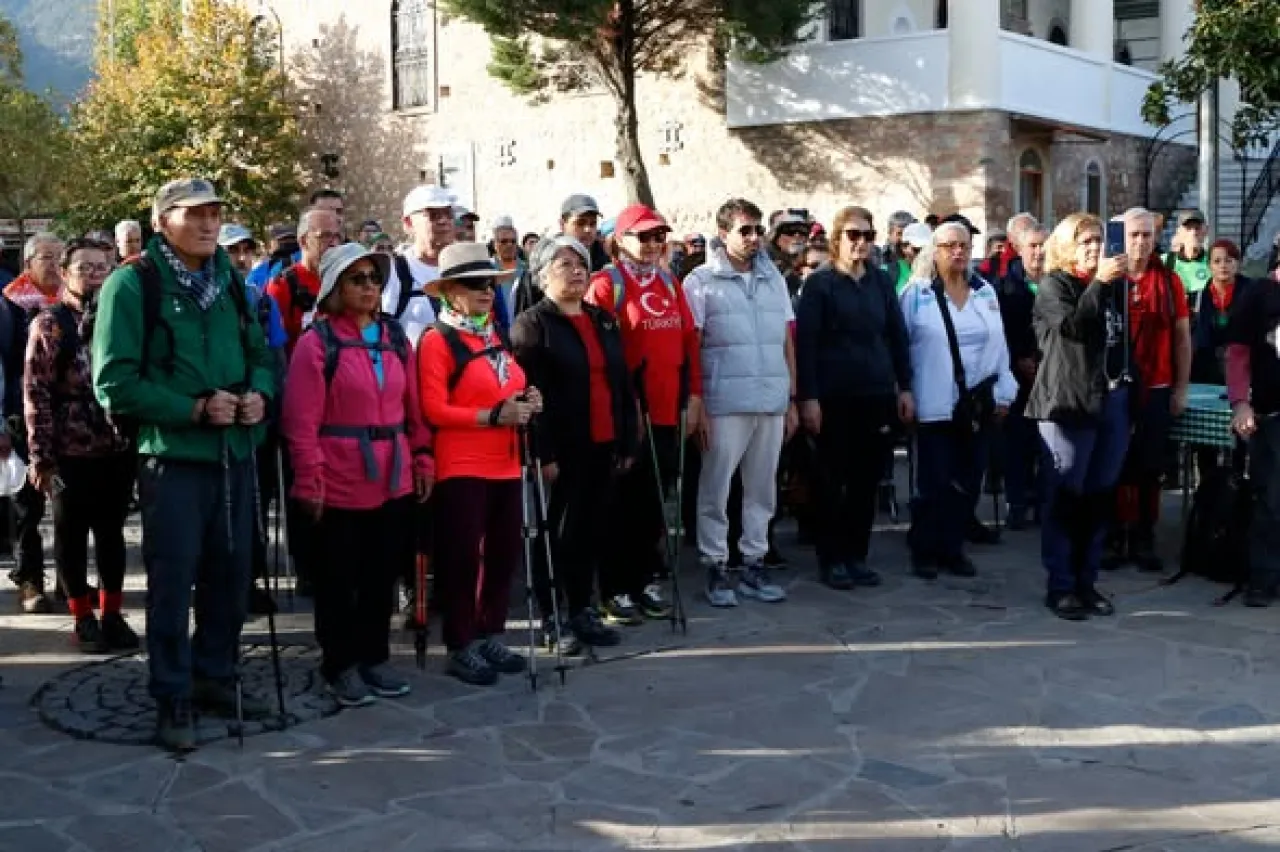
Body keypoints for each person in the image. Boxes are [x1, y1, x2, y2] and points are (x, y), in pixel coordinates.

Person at [92, 177, 276, 752]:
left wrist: (259, 396)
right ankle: (171, 692)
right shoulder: (132, 284)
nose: (208, 224)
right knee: (173, 584)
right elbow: (114, 384)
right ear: (161, 222)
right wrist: (193, 409)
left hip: (236, 455)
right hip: (173, 460)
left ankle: (215, 675)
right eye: (194, 214)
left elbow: (261, 356)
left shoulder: (232, 282)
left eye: (215, 213)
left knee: (231, 576)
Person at [282, 243, 432, 705]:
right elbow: (300, 423)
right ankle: (340, 664)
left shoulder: (393, 337)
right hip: (340, 477)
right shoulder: (316, 344)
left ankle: (374, 658)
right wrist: (310, 480)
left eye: (373, 278)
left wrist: (422, 455)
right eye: (357, 279)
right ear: (334, 288)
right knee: (337, 579)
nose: (369, 286)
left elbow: (414, 408)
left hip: (393, 473)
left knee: (381, 574)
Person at [419, 242, 540, 686]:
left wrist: (527, 399)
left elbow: (508, 382)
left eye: (489, 283)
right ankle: (460, 641)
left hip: (505, 461)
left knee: (504, 555)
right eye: (474, 284)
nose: (486, 291)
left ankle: (490, 633)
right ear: (450, 292)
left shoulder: (492, 334)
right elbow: (433, 408)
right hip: (462, 463)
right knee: (462, 557)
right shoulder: (437, 340)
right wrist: (491, 416)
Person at [510, 235, 637, 651]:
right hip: (562, 448)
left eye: (581, 262)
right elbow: (529, 393)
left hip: (603, 442)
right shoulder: (533, 325)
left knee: (590, 529)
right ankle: (553, 615)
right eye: (564, 264)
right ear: (543, 274)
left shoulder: (601, 319)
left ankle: (583, 607)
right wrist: (543, 452)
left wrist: (626, 438)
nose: (577, 270)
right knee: (555, 534)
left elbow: (619, 382)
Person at [585, 203, 702, 624]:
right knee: (621, 503)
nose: (654, 244)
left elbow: (688, 342)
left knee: (655, 500)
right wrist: (624, 404)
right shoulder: (605, 285)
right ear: (620, 240)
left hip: (669, 411)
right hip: (629, 414)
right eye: (644, 236)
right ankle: (614, 588)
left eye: (659, 236)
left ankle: (644, 578)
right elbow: (599, 353)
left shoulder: (670, 282)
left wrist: (694, 397)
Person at [23, 238, 139, 652]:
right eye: (85, 267)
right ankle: (82, 616)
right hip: (69, 451)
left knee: (112, 536)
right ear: (65, 273)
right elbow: (35, 393)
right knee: (71, 538)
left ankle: (111, 613)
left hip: (115, 448)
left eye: (101, 268)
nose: (93, 275)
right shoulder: (50, 323)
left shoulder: (119, 318)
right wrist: (41, 456)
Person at [684, 199, 798, 607]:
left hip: (770, 398)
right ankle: (715, 563)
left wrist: (792, 397)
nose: (753, 238)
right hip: (724, 400)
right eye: (744, 230)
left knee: (762, 488)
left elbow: (786, 338)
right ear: (723, 233)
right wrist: (696, 401)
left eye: (757, 230)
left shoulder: (775, 279)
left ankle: (754, 560)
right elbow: (692, 345)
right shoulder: (700, 281)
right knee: (715, 487)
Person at [796, 206, 913, 590]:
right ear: (836, 238)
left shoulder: (880, 282)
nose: (861, 242)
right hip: (833, 397)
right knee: (832, 480)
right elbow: (806, 346)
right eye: (853, 235)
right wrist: (808, 398)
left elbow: (897, 337)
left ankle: (856, 555)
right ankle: (831, 558)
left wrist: (904, 387)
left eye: (867, 235)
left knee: (866, 480)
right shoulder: (820, 284)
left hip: (876, 393)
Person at [1025, 213, 1131, 621]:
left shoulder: (1110, 285)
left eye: (1098, 240)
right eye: (1085, 241)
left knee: (1098, 496)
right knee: (1065, 495)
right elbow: (1071, 327)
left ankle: (1087, 581)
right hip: (1067, 403)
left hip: (1109, 398)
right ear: (1067, 245)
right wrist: (1101, 283)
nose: (1093, 248)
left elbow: (1118, 336)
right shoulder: (1055, 285)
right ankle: (1061, 585)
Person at [901, 222, 1017, 579]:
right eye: (949, 245)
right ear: (934, 250)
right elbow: (900, 347)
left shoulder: (985, 293)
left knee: (969, 479)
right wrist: (903, 391)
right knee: (934, 481)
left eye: (964, 245)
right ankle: (925, 549)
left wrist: (1003, 391)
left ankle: (953, 548)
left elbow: (999, 347)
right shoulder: (916, 294)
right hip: (934, 399)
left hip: (977, 403)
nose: (958, 252)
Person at [1105, 208, 1191, 573]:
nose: (1140, 242)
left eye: (1146, 235)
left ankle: (1144, 536)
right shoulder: (1108, 279)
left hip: (1156, 386)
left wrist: (1181, 387)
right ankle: (1114, 534)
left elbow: (1184, 339)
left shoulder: (1169, 282)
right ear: (1121, 238)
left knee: (1149, 465)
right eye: (1133, 235)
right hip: (1115, 387)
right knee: (1114, 464)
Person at [1227, 266, 1280, 606]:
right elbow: (1238, 353)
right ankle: (1262, 578)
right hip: (1271, 413)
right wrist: (1240, 403)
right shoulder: (1259, 293)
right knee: (1271, 500)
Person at [995, 222, 1048, 530]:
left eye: (1044, 246)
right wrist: (1018, 359)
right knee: (1018, 443)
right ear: (1020, 249)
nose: (1039, 252)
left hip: (1050, 375)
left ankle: (1042, 501)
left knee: (1046, 444)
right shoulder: (1005, 287)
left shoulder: (1056, 283)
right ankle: (1018, 502)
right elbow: (999, 331)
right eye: (1033, 246)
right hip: (1018, 376)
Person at [267, 208, 343, 352]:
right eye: (325, 236)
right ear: (303, 241)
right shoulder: (282, 286)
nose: (334, 244)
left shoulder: (344, 281)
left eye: (337, 237)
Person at [5, 232, 64, 313]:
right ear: (28, 264)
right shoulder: (10, 302)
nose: (55, 264)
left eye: (60, 258)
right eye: (47, 257)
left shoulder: (74, 293)